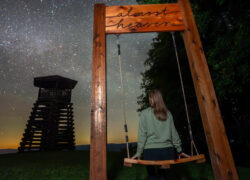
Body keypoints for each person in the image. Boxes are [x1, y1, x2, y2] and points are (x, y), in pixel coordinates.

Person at [132, 89, 190, 180]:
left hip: (150, 152)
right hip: (167, 152)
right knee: (162, 175)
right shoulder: (168, 113)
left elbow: (142, 135)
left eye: (150, 98)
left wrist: (139, 152)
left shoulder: (144, 114)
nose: (149, 100)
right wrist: (179, 150)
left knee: (152, 176)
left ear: (153, 99)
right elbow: (174, 133)